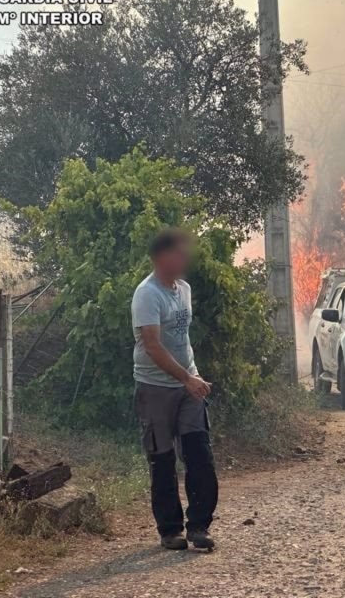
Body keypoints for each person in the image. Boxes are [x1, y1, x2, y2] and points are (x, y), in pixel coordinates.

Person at [131, 227, 218, 551]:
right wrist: (186, 378)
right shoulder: (147, 294)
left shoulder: (184, 289)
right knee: (162, 459)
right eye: (177, 253)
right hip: (155, 389)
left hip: (188, 385)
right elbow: (152, 346)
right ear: (160, 257)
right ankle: (170, 530)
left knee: (199, 454)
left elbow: (182, 339)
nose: (184, 259)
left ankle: (199, 526)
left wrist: (190, 377)